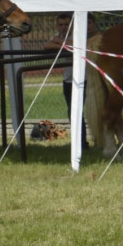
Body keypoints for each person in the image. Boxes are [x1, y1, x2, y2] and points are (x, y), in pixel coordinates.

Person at [43, 12, 101, 149]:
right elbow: (47, 46)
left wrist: (61, 43)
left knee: (90, 110)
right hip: (68, 80)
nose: (64, 27)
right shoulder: (58, 38)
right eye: (61, 25)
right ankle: (80, 142)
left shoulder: (78, 36)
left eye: (66, 24)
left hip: (86, 78)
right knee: (73, 111)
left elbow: (77, 46)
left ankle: (94, 141)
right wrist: (63, 45)